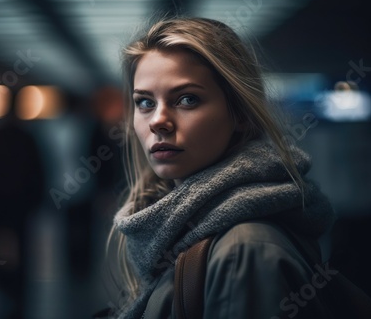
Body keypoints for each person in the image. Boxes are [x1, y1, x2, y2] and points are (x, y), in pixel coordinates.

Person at [102, 16, 336, 318]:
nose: (158, 120)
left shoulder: (244, 251)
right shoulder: (172, 229)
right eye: (145, 102)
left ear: (240, 113)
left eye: (187, 99)